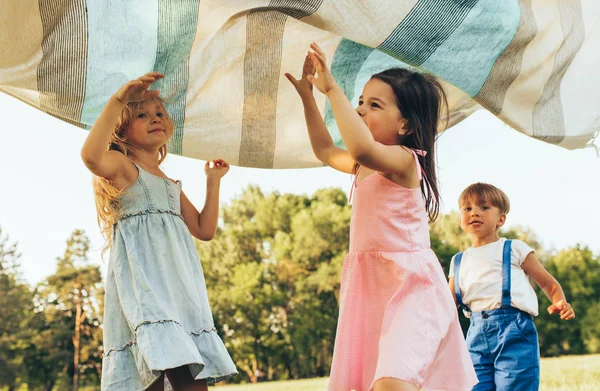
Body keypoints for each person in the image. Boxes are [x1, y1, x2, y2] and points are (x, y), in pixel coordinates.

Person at [286, 43, 477, 391]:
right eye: (360, 101)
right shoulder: (361, 166)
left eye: (374, 105)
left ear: (404, 124)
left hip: (411, 287)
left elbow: (359, 146)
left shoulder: (404, 161)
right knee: (374, 381)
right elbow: (326, 150)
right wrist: (308, 99)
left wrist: (332, 89)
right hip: (371, 289)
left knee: (394, 381)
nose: (359, 110)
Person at [80, 72, 237, 391]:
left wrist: (213, 181)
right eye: (142, 114)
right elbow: (91, 156)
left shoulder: (169, 184)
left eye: (159, 114)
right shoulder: (124, 169)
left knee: (184, 368)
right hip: (147, 290)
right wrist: (118, 100)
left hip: (178, 290)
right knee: (157, 367)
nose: (155, 119)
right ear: (122, 129)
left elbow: (204, 229)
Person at [449, 182, 575, 391]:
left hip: (514, 331)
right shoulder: (458, 261)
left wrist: (559, 300)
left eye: (484, 207)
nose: (474, 213)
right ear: (461, 219)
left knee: (516, 386)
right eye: (467, 208)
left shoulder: (514, 248)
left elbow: (547, 282)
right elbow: (448, 304)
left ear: (501, 219)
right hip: (475, 335)